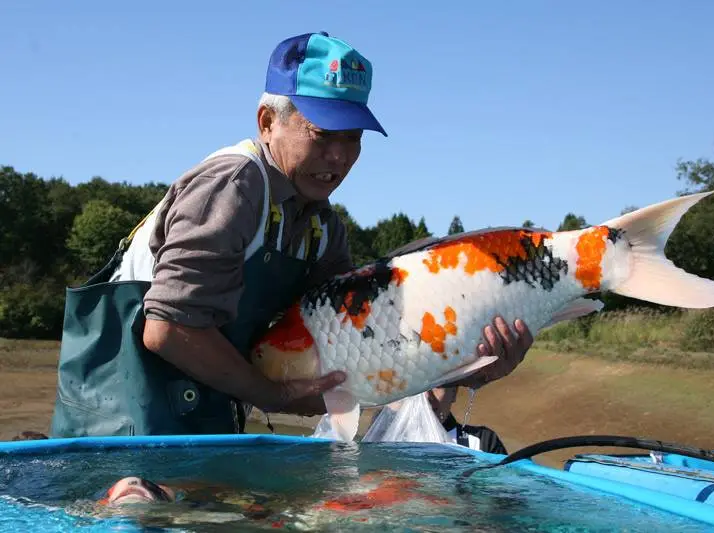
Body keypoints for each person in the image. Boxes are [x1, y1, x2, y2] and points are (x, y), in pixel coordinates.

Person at [49, 31, 533, 438]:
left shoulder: (323, 229)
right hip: (118, 434)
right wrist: (274, 395)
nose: (340, 157)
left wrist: (464, 366)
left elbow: (367, 346)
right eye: (323, 134)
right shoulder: (233, 186)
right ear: (267, 123)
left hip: (206, 429)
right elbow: (170, 329)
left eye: (353, 139)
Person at [427, 386, 508, 455]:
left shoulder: (482, 442)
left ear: (454, 392)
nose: (427, 396)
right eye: (418, 388)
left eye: (435, 385)